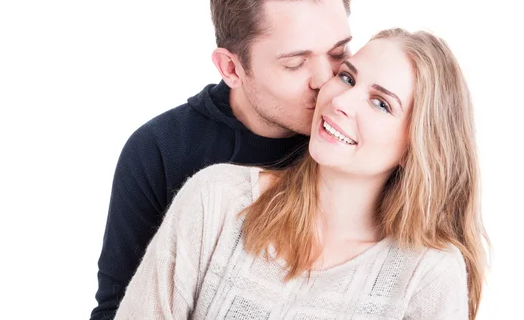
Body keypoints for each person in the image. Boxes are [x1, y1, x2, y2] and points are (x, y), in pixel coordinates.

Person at [115, 28, 490, 319]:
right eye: (346, 77)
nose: (341, 101)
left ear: (416, 147)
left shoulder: (427, 274)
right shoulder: (217, 200)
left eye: (380, 103)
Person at [91, 0, 353, 319]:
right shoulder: (160, 150)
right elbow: (119, 308)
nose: (326, 80)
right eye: (296, 63)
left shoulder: (363, 141)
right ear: (231, 69)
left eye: (338, 53)